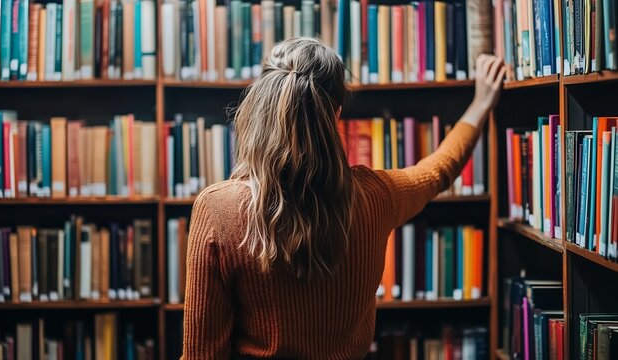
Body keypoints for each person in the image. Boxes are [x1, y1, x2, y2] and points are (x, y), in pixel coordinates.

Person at [181, 38, 505, 360]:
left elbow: (200, 356)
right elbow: (438, 170)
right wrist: (480, 104)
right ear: (336, 112)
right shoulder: (377, 196)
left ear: (260, 106)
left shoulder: (217, 209)